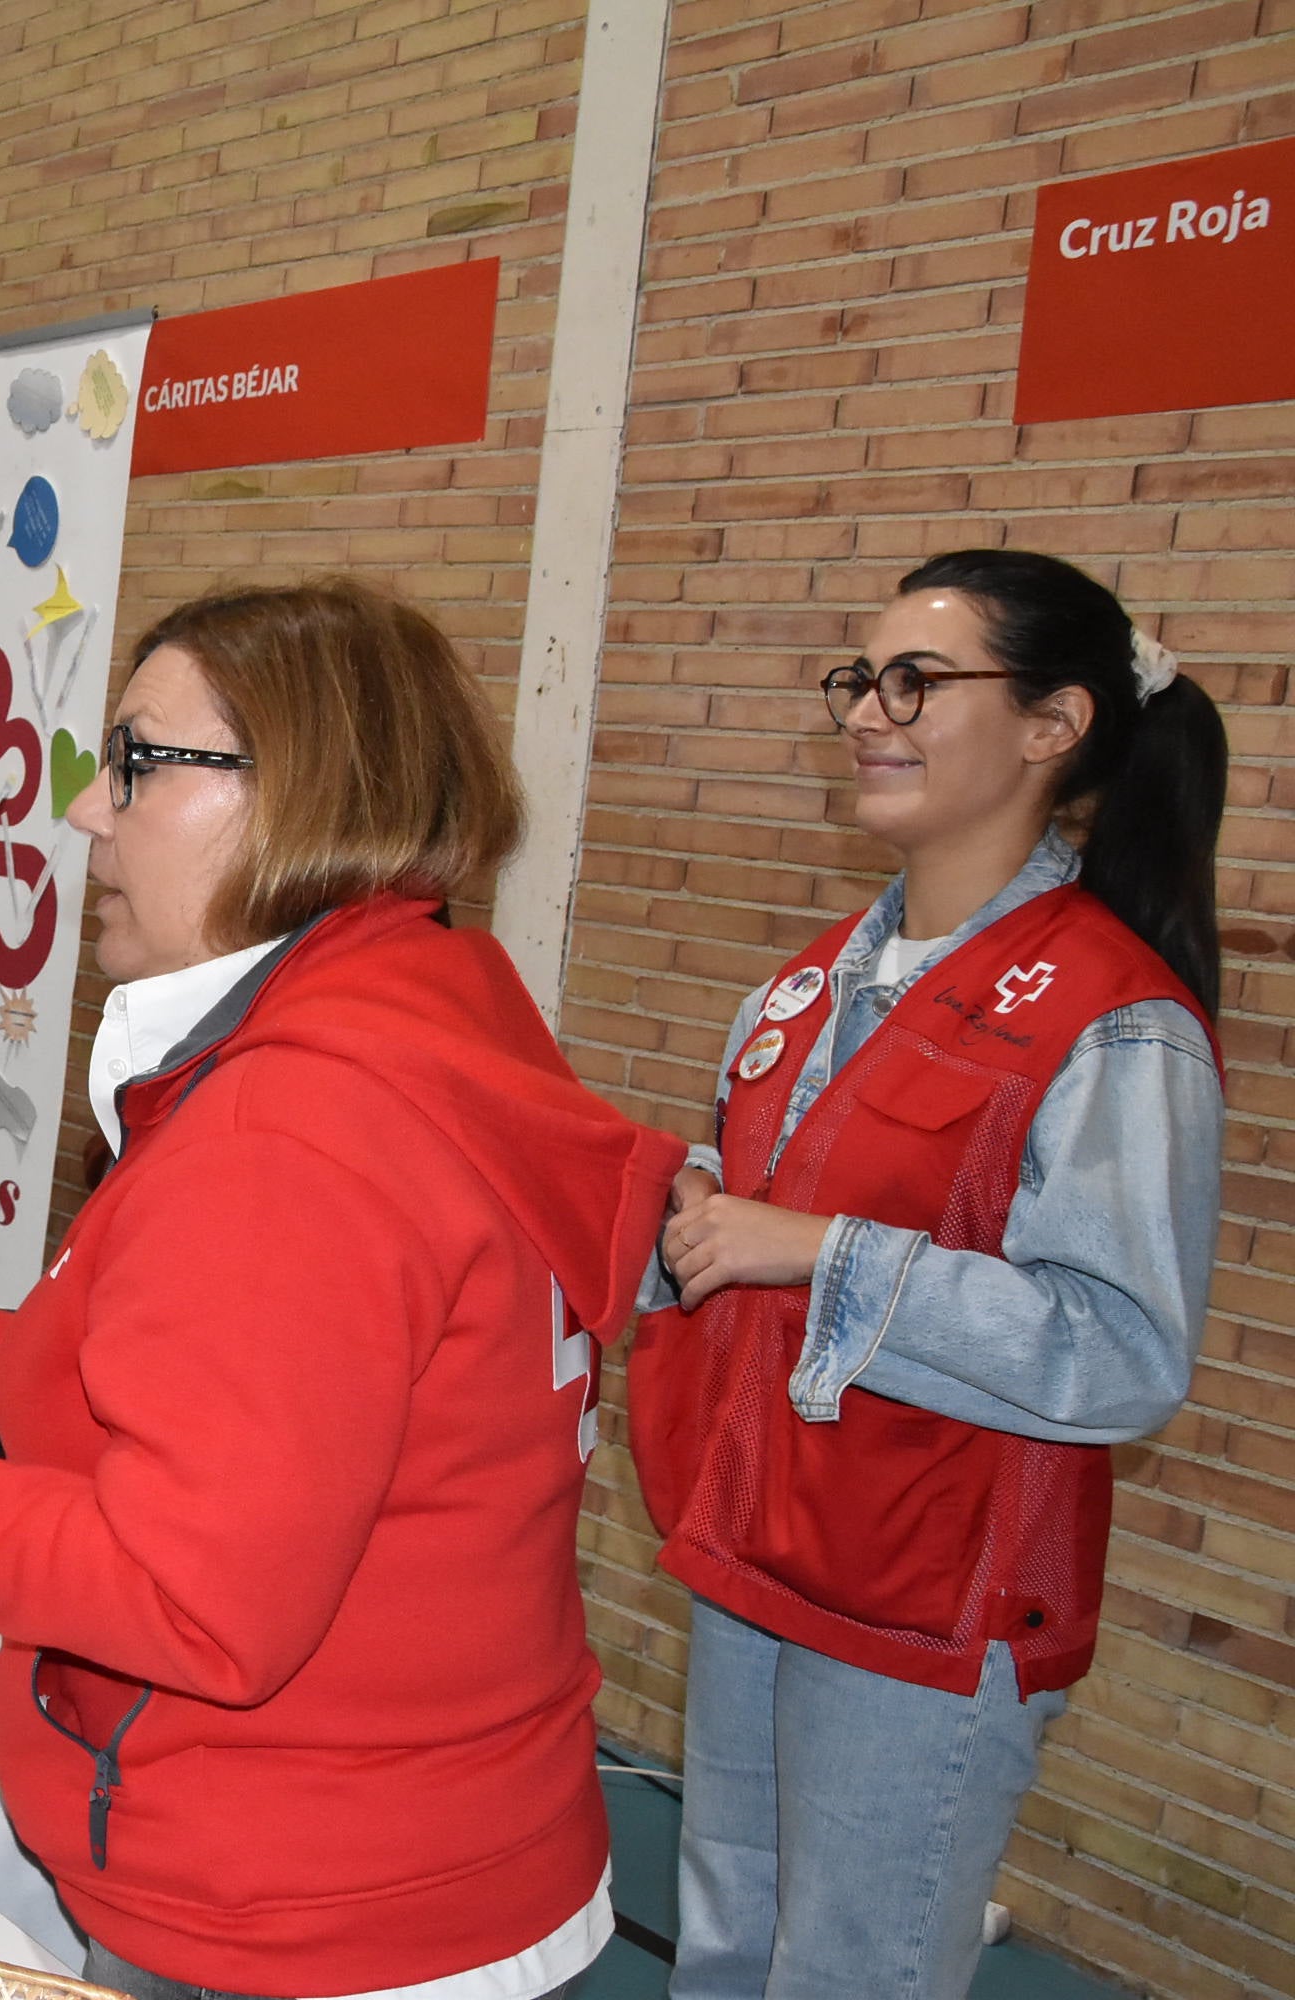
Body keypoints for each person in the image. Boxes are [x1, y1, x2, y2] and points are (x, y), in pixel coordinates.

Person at [0, 582, 685, 2000]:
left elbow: (196, 1597)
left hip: (309, 1908)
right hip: (437, 1842)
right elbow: (326, 1403)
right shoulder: (428, 1014)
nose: (90, 814)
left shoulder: (295, 1127)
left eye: (142, 763)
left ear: (303, 796)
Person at [630, 550, 1228, 2000]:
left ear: (1051, 724)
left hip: (932, 1614)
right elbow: (739, 1246)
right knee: (720, 1947)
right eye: (860, 678)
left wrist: (820, 1249)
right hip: (760, 1551)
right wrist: (682, 1224)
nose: (867, 711)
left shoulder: (1114, 1022)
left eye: (918, 680)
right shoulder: (804, 983)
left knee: (850, 1975)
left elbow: (1121, 1353)